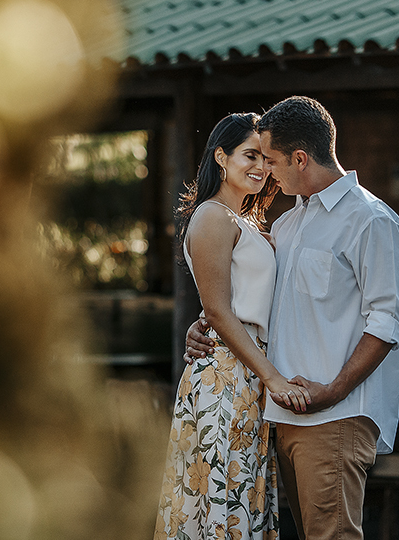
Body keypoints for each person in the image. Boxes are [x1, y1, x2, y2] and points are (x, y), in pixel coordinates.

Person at [186, 96, 399, 540]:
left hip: (335, 415)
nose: (266, 171)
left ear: (300, 158)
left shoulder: (370, 221)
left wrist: (332, 391)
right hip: (282, 415)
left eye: (270, 160)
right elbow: (253, 301)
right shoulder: (288, 225)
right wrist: (205, 322)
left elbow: (388, 322)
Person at [155, 113, 312, 540]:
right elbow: (220, 311)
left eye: (265, 158)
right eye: (249, 155)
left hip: (249, 376)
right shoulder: (211, 217)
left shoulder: (246, 222)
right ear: (220, 157)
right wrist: (273, 377)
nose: (260, 167)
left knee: (243, 495)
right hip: (225, 377)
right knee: (221, 499)